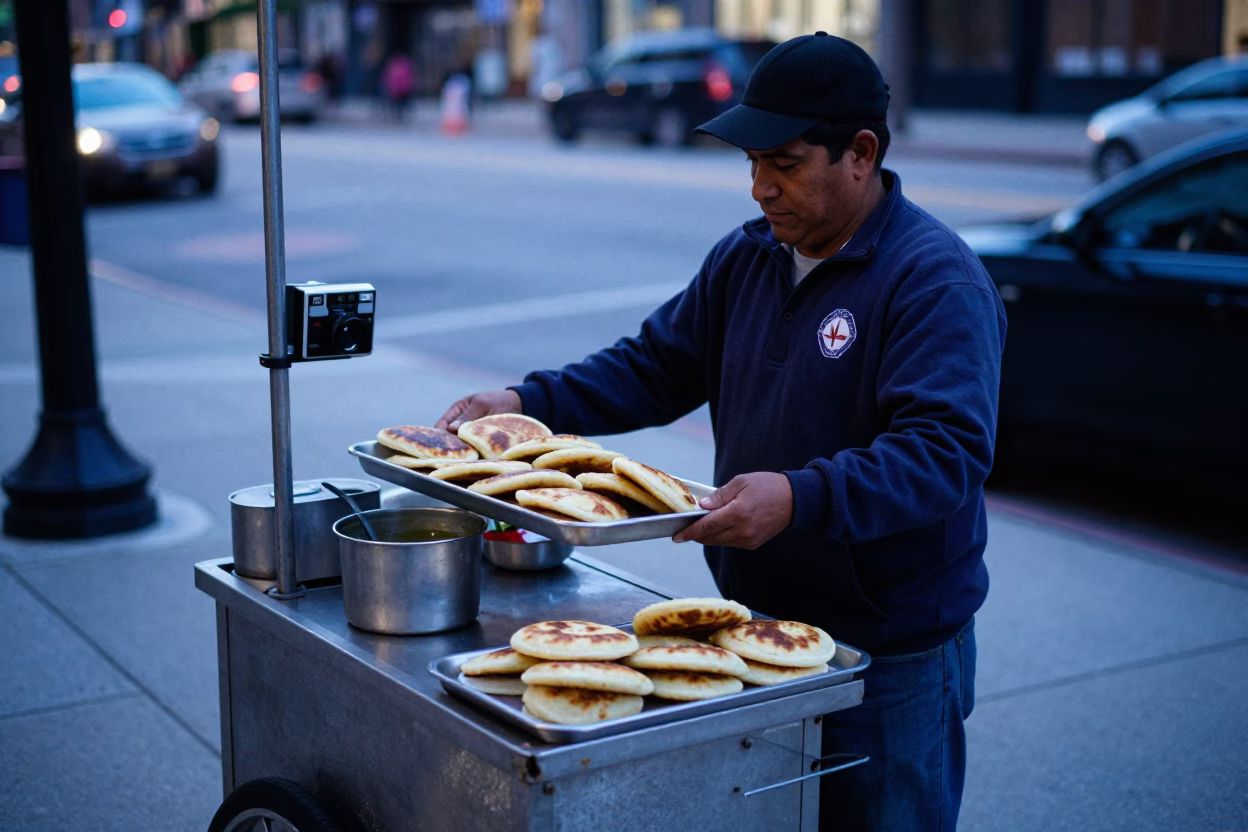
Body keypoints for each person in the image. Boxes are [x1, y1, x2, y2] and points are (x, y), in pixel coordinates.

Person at [436, 32, 1005, 831]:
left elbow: (944, 453)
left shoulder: (933, 279)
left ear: (861, 153)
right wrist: (526, 399)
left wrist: (800, 498)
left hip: (890, 656)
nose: (760, 189)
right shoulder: (748, 259)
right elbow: (653, 366)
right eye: (752, 164)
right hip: (753, 632)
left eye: (785, 163)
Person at [381, 51, 416, 122]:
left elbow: (388, 77)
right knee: (396, 104)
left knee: (398, 104)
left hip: (399, 90)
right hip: (399, 89)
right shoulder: (403, 65)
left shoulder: (395, 65)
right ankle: (397, 116)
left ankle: (398, 116)